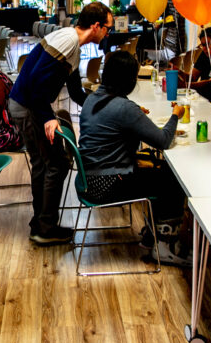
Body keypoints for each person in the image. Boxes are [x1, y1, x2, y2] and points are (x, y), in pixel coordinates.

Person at [8, 2, 113, 244]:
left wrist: (102, 106)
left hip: (27, 104)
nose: (108, 33)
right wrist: (47, 118)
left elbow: (75, 92)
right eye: (107, 28)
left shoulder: (73, 44)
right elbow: (35, 84)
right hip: (28, 106)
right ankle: (45, 228)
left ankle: (40, 223)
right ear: (96, 26)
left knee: (45, 164)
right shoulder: (68, 42)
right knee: (56, 163)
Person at [79, 50, 188, 265]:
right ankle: (165, 246)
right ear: (128, 80)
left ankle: (152, 235)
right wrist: (176, 115)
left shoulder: (93, 98)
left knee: (159, 169)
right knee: (172, 179)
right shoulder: (124, 108)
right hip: (107, 183)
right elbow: (163, 140)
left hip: (90, 177)